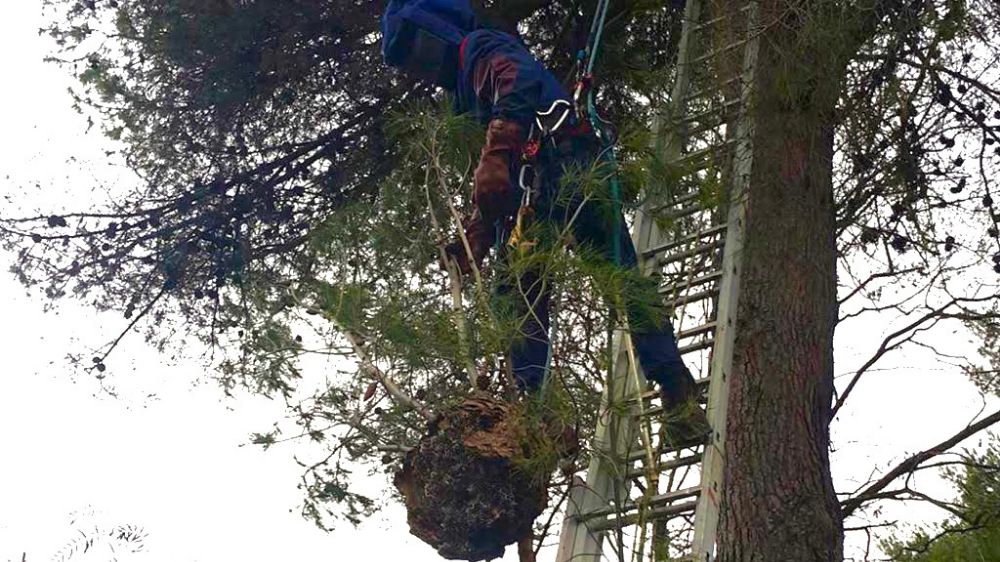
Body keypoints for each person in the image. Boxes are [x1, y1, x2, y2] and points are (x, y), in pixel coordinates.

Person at [381, 0, 709, 437]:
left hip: (565, 166)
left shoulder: (477, 48)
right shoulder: (458, 97)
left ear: (436, 30)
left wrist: (498, 149)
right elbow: (493, 184)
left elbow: (516, 78)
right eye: (408, 60)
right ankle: (534, 417)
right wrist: (477, 233)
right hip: (536, 192)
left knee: (595, 283)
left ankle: (671, 386)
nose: (419, 65)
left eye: (416, 48)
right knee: (525, 294)